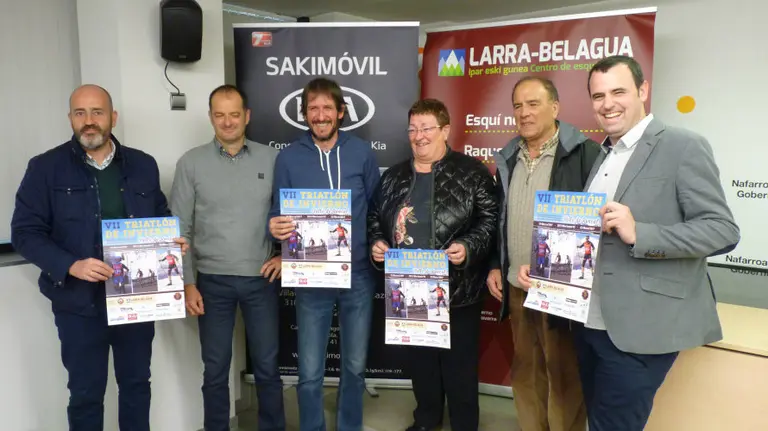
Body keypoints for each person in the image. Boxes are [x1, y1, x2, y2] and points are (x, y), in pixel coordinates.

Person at [576, 55, 739, 430]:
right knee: (598, 419)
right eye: (598, 95)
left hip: (643, 326)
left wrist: (641, 233)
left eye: (618, 91)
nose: (607, 104)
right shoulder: (602, 154)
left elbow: (722, 230)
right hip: (590, 321)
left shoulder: (683, 145)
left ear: (643, 91)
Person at [10, 84, 187, 431]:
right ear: (70, 119)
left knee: (137, 386)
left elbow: (159, 215)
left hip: (137, 301)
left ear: (113, 118)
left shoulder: (142, 165)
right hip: (79, 303)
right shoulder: (45, 168)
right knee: (86, 394)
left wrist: (171, 242)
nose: (88, 121)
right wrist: (71, 265)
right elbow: (25, 233)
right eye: (80, 113)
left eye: (97, 112)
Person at [368, 98, 498, 431]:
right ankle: (426, 421)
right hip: (410, 288)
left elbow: (490, 220)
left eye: (426, 128)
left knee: (459, 369)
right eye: (413, 129)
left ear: (445, 130)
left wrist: (468, 246)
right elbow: (374, 218)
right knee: (422, 366)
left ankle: (464, 426)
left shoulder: (473, 173)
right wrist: (377, 244)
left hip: (458, 291)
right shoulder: (394, 177)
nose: (419, 136)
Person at [486, 76, 601, 431]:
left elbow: (597, 226)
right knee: (526, 370)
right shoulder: (508, 157)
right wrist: (495, 265)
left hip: (559, 291)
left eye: (533, 104)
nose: (524, 113)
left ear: (555, 107)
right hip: (516, 288)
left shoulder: (586, 154)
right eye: (518, 106)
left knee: (563, 374)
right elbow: (499, 217)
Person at [169, 84, 285, 431]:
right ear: (210, 118)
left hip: (261, 279)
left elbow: (291, 216)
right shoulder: (191, 163)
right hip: (211, 282)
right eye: (219, 115)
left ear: (247, 116)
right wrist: (188, 283)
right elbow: (180, 232)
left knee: (267, 366)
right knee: (215, 369)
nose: (228, 122)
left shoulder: (274, 159)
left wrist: (284, 256)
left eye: (234, 114)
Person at [267, 77, 380, 431]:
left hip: (359, 275)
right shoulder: (287, 158)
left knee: (355, 365)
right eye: (313, 109)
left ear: (341, 112)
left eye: (327, 108)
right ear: (304, 115)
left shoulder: (362, 153)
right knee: (310, 370)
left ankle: (350, 426)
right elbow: (276, 213)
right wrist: (276, 229)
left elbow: (377, 209)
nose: (320, 115)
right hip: (311, 277)